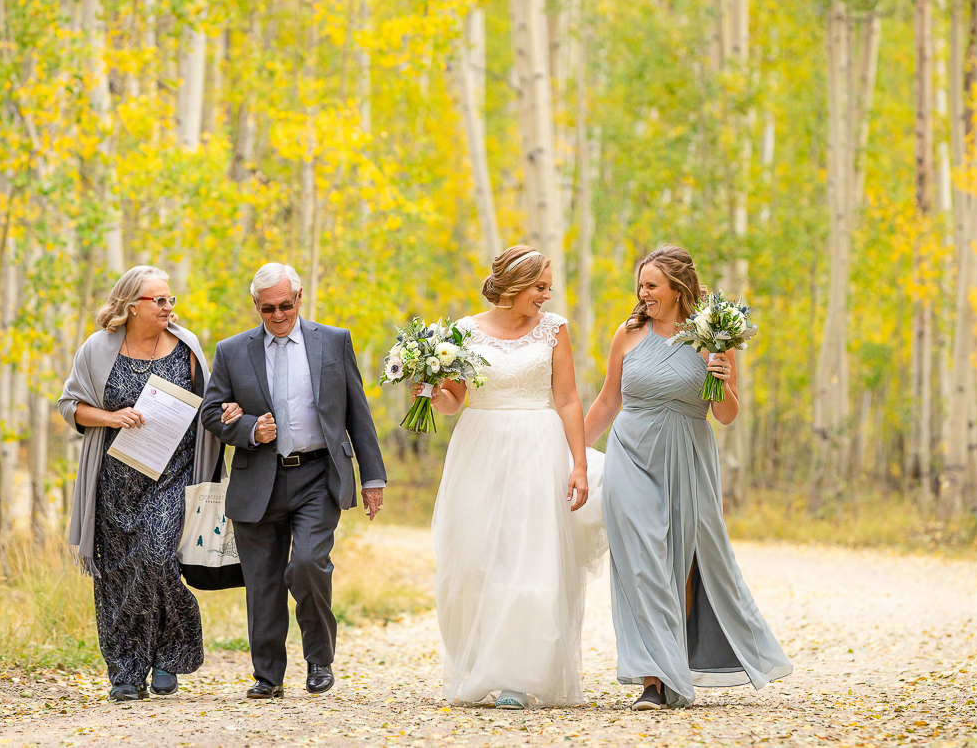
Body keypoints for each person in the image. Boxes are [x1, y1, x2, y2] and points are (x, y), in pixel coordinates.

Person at [584, 245, 792, 710]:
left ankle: (672, 663)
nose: (643, 294)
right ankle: (654, 681)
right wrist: (571, 451)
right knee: (640, 561)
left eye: (651, 286)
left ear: (678, 290)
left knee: (678, 564)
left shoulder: (712, 337)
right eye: (641, 285)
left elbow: (726, 413)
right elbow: (606, 402)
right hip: (629, 454)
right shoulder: (628, 333)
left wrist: (722, 375)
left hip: (687, 457)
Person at [421, 245, 602, 709]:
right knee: (472, 564)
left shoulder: (554, 329)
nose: (546, 294)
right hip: (479, 449)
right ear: (515, 285)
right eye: (539, 286)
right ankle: (479, 666)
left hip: (538, 448)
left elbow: (567, 399)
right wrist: (429, 390)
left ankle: (519, 676)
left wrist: (578, 462)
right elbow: (453, 401)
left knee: (529, 561)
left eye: (547, 286)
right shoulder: (463, 332)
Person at [199, 263, 386, 699]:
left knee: (307, 563)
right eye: (268, 309)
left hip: (318, 475)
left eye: (286, 305)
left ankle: (318, 660)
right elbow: (210, 413)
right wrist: (247, 430)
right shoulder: (231, 350)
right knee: (262, 582)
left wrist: (372, 477)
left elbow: (357, 412)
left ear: (300, 298)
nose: (278, 315)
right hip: (257, 480)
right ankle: (268, 676)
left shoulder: (333, 341)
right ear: (256, 306)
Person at [60, 265, 221, 701]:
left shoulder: (187, 347)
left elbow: (208, 405)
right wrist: (111, 417)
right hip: (114, 480)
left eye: (171, 299)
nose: (169, 307)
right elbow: (69, 405)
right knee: (115, 576)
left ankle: (171, 651)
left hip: (173, 475)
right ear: (132, 306)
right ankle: (125, 673)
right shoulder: (98, 349)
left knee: (155, 557)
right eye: (160, 300)